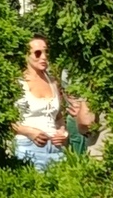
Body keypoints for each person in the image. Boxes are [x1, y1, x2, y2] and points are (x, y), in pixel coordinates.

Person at [11, 37, 94, 169]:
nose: (43, 57)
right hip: (27, 146)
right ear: (26, 55)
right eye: (37, 53)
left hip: (55, 148)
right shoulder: (17, 82)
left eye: (46, 53)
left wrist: (62, 132)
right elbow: (7, 119)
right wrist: (28, 132)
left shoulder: (53, 82)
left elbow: (59, 117)